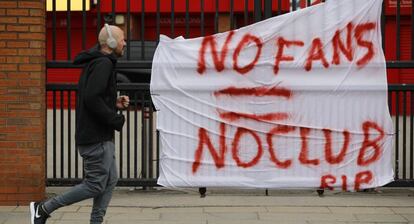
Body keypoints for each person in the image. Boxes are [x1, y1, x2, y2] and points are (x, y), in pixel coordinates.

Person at [30, 24, 129, 224]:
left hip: (99, 135)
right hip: (96, 137)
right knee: (95, 184)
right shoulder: (103, 64)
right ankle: (44, 208)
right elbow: (92, 98)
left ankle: (96, 221)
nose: (125, 43)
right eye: (122, 39)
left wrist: (113, 103)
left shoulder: (98, 62)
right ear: (110, 43)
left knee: (109, 180)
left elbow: (93, 95)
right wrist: (114, 118)